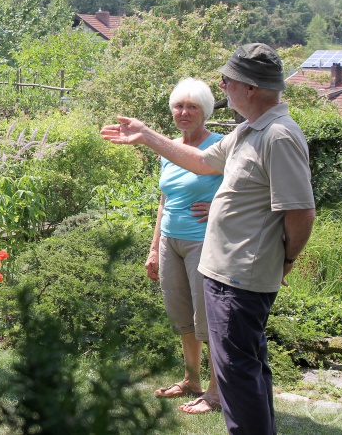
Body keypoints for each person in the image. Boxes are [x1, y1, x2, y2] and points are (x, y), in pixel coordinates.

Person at [100, 43, 315, 435]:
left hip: (241, 276)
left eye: (227, 81)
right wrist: (147, 136)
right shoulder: (247, 131)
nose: (223, 87)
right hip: (222, 271)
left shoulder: (279, 136)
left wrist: (285, 261)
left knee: (236, 374)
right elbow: (200, 161)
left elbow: (300, 212)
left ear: (249, 87)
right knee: (245, 369)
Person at [148, 78, 222, 414]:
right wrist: (154, 247)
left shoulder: (220, 146)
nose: (184, 112)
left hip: (204, 242)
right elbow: (164, 202)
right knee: (182, 317)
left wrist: (219, 205)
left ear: (205, 111)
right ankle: (191, 379)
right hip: (170, 242)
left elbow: (250, 188)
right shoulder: (170, 149)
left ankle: (216, 392)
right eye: (179, 106)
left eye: (192, 106)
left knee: (208, 319)